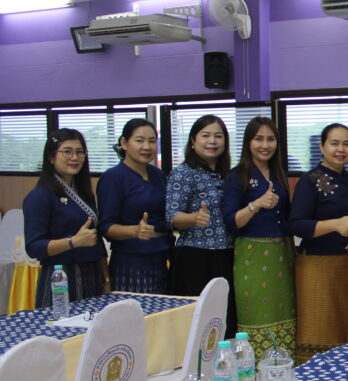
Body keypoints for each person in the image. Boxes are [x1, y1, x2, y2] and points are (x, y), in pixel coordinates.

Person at [289, 123, 348, 362]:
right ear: (322, 147)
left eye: (347, 144)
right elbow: (296, 224)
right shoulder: (310, 181)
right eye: (334, 143)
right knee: (320, 330)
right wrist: (334, 224)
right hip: (318, 268)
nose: (341, 149)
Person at [223, 117, 295, 358]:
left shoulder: (278, 173)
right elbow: (231, 221)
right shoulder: (238, 175)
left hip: (282, 254)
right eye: (259, 139)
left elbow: (288, 216)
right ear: (248, 142)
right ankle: (254, 370)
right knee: (255, 313)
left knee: (284, 312)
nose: (265, 145)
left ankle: (283, 367)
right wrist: (256, 204)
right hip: (252, 256)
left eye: (270, 139)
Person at [165, 114, 236, 334]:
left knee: (224, 320)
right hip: (194, 257)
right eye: (205, 135)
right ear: (193, 141)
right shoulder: (183, 173)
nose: (212, 141)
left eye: (218, 136)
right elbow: (171, 216)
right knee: (197, 325)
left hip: (226, 254)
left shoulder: (227, 175)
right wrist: (194, 218)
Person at [23, 129, 109, 304]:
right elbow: (34, 247)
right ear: (51, 157)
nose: (75, 157)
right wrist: (73, 242)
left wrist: (106, 279)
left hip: (92, 274)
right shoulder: (40, 196)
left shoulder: (84, 193)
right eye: (67, 151)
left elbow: (96, 239)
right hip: (60, 277)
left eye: (80, 152)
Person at [97, 118, 173, 293]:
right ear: (124, 143)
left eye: (152, 141)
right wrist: (134, 231)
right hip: (130, 262)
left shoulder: (158, 175)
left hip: (160, 258)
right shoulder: (113, 177)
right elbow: (106, 227)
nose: (146, 147)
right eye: (139, 140)